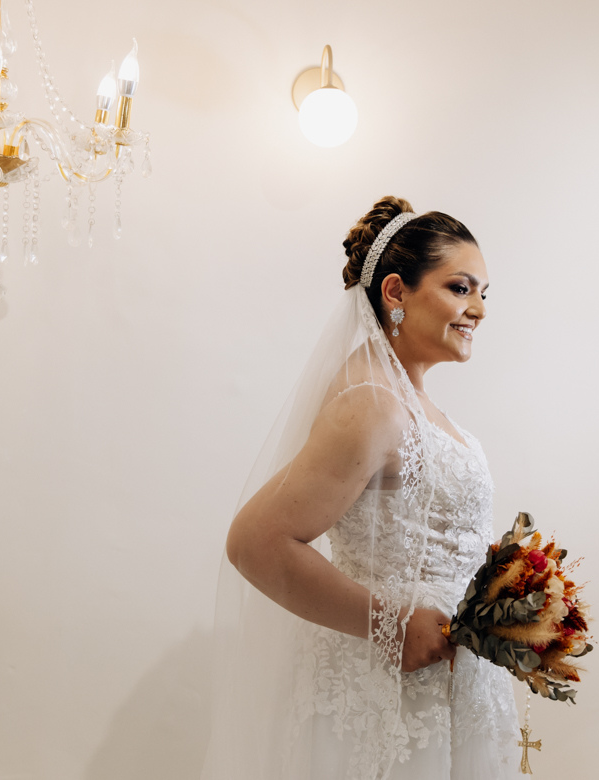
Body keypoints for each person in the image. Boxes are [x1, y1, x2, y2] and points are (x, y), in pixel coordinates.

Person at [201, 196, 522, 780]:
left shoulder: (411, 400)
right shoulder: (372, 403)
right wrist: (392, 627)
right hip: (390, 699)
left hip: (444, 689)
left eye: (483, 293)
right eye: (460, 288)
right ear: (396, 292)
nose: (478, 309)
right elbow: (255, 542)